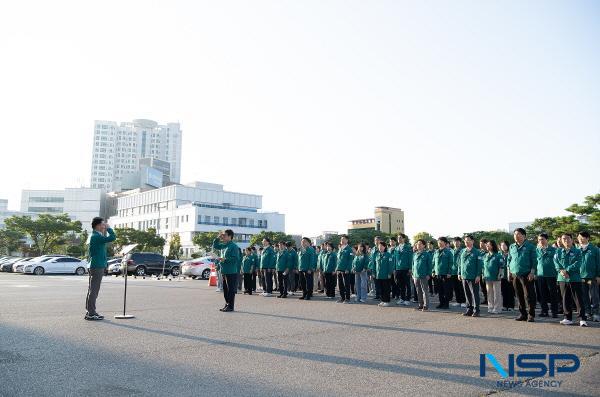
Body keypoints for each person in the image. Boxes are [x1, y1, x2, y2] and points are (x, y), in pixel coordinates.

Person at [85, 217, 116, 321]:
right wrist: (109, 229)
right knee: (94, 290)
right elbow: (112, 237)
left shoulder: (94, 236)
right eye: (103, 224)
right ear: (98, 225)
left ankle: (91, 312)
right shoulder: (96, 236)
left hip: (95, 264)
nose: (104, 226)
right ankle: (91, 313)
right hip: (97, 265)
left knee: (93, 290)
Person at [555, 233, 587, 326]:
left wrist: (567, 270)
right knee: (565, 299)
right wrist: (561, 271)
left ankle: (582, 319)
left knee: (578, 299)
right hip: (562, 278)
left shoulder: (578, 251)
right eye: (563, 239)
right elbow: (556, 263)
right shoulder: (558, 252)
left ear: (572, 240)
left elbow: (578, 263)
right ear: (561, 240)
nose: (566, 240)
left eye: (568, 239)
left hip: (574, 278)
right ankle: (568, 318)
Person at [508, 228, 537, 322]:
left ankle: (531, 315)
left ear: (524, 236)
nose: (516, 236)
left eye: (519, 234)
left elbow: (534, 260)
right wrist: (509, 272)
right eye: (515, 234)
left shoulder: (530, 246)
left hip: (526, 274)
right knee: (519, 295)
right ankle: (522, 314)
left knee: (529, 295)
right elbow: (509, 260)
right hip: (515, 274)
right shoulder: (512, 246)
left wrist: (532, 272)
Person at [212, 229, 241, 312]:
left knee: (230, 290)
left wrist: (224, 259)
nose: (223, 236)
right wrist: (218, 237)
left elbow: (235, 259)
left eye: (224, 235)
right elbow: (215, 246)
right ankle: (227, 304)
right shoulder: (224, 245)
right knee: (225, 289)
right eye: (223, 235)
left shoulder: (233, 246)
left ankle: (231, 306)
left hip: (231, 271)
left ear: (230, 236)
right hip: (224, 270)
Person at [577, 231, 600, 322]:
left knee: (594, 295)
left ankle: (596, 313)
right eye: (579, 238)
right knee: (584, 295)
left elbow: (598, 263)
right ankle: (587, 312)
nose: (580, 240)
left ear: (587, 238)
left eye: (582, 238)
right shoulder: (577, 249)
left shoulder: (595, 249)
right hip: (580, 277)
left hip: (591, 277)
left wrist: (598, 275)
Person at [459, 235, 482, 317]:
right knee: (467, 294)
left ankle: (477, 310)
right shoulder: (463, 251)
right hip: (464, 276)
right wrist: (459, 273)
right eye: (465, 240)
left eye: (468, 240)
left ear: (472, 241)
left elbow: (479, 265)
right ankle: (469, 309)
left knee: (474, 294)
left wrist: (478, 275)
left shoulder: (477, 252)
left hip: (473, 276)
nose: (466, 242)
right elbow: (460, 263)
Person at [536, 233, 559, 318]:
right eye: (539, 240)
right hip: (540, 275)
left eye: (542, 239)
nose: (540, 241)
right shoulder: (536, 250)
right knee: (542, 294)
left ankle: (554, 311)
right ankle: (544, 311)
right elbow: (535, 262)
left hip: (551, 274)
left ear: (547, 240)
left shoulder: (553, 250)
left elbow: (557, 262)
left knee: (553, 294)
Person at [483, 240, 503, 314]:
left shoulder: (498, 255)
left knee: (496, 293)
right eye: (487, 245)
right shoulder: (485, 255)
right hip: (487, 277)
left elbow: (501, 266)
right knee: (489, 293)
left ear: (493, 246)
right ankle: (490, 307)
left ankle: (497, 308)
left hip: (496, 277)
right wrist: (483, 274)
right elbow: (483, 267)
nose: (487, 246)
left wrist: (500, 274)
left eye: (489, 245)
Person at [412, 239, 433, 311]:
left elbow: (430, 265)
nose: (418, 245)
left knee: (425, 291)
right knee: (418, 291)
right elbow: (413, 265)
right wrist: (413, 274)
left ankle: (425, 306)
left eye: (420, 244)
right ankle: (420, 305)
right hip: (416, 275)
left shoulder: (427, 254)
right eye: (417, 244)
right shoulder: (415, 254)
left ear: (424, 245)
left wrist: (428, 274)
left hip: (424, 275)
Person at [432, 237, 453, 309]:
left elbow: (451, 263)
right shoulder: (436, 252)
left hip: (445, 274)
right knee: (440, 290)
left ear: (445, 243)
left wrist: (449, 272)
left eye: (441, 241)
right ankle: (441, 303)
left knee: (446, 290)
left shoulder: (448, 252)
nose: (439, 243)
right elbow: (433, 263)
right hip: (438, 274)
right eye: (438, 241)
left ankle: (446, 304)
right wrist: (433, 271)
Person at [394, 234, 413, 306]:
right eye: (398, 238)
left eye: (400, 238)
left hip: (406, 269)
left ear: (404, 239)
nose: (399, 239)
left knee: (407, 284)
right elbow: (395, 259)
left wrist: (410, 268)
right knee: (400, 285)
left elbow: (410, 258)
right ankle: (402, 298)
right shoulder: (396, 248)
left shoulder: (408, 247)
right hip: (398, 269)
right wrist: (394, 268)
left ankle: (407, 299)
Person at [375, 241, 394, 307]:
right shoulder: (377, 255)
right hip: (379, 274)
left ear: (384, 247)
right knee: (381, 288)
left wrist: (389, 273)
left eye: (381, 246)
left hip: (386, 275)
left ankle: (387, 301)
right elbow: (375, 265)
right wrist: (374, 273)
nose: (380, 247)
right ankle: (383, 300)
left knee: (386, 288)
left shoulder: (388, 255)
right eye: (379, 246)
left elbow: (390, 265)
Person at [336, 235, 353, 303]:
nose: (342, 240)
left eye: (343, 239)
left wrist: (347, 268)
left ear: (347, 240)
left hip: (345, 270)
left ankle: (347, 298)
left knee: (346, 284)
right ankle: (342, 297)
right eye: (341, 239)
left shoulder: (349, 249)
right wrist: (336, 268)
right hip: (339, 269)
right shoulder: (340, 248)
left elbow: (350, 260)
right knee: (340, 284)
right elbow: (338, 259)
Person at [450, 237, 466, 308]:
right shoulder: (451, 251)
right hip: (453, 271)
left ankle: (463, 301)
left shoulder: (463, 251)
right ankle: (458, 301)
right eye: (454, 242)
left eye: (458, 242)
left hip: (460, 271)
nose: (456, 243)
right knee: (455, 287)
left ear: (460, 242)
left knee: (461, 287)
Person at [499, 240, 515, 311]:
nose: (503, 247)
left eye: (504, 245)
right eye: (502, 245)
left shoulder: (511, 253)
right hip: (502, 275)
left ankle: (511, 306)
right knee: (503, 291)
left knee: (510, 291)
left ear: (508, 246)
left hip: (510, 275)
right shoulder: (499, 254)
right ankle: (505, 305)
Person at [478, 239, 489, 305]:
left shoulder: (489, 252)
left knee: (488, 288)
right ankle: (486, 299)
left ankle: (490, 300)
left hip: (487, 273)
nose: (481, 245)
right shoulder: (480, 252)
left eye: (482, 244)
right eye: (480, 244)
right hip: (481, 272)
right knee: (483, 287)